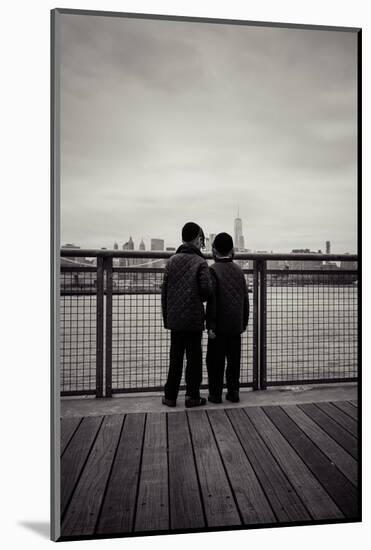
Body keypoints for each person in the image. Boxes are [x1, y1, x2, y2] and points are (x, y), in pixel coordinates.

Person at [161, 222, 212, 407]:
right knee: (194, 358)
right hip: (193, 320)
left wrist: (167, 318)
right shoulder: (201, 262)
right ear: (198, 239)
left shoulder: (172, 260)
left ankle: (170, 396)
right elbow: (206, 291)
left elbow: (164, 292)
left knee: (175, 357)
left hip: (175, 320)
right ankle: (192, 396)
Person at [206, 232, 249, 403]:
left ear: (214, 250)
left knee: (215, 362)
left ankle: (215, 394)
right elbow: (245, 299)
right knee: (233, 361)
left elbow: (212, 301)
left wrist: (210, 325)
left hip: (218, 326)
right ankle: (233, 392)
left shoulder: (213, 270)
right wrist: (243, 322)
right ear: (232, 250)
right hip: (235, 325)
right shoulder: (239, 271)